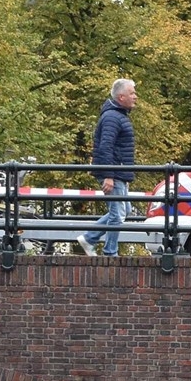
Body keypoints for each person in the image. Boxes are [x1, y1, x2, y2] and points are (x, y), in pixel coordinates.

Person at [81, 78, 137, 256]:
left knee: (123, 211)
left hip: (119, 171)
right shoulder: (113, 117)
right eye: (132, 93)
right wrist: (109, 175)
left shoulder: (117, 115)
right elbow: (106, 146)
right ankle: (110, 252)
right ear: (121, 97)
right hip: (115, 171)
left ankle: (90, 238)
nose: (135, 97)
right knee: (117, 214)